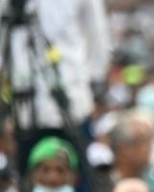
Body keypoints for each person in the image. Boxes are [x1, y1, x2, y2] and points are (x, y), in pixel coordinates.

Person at [2, 0, 110, 178]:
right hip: (25, 107)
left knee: (79, 172)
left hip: (71, 100)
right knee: (28, 174)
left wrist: (92, 80)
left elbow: (97, 36)